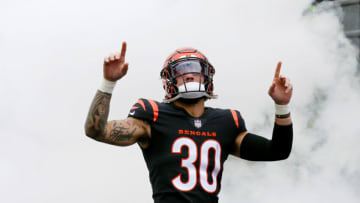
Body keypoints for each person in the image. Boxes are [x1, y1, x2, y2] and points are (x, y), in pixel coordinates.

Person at [84, 42, 293, 203]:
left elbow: (278, 151)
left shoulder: (227, 121)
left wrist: (281, 106)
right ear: (169, 81)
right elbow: (96, 130)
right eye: (181, 72)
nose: (189, 75)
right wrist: (108, 82)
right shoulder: (153, 115)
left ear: (207, 77)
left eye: (195, 70)